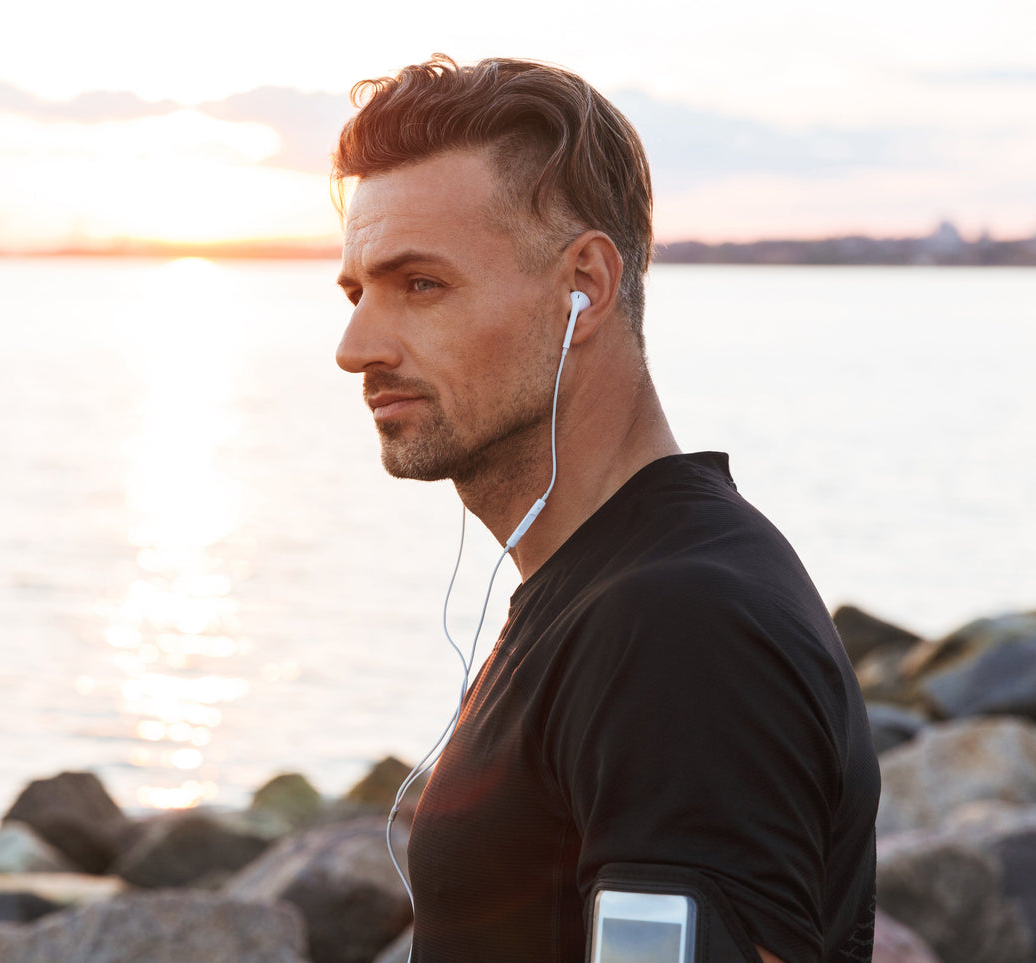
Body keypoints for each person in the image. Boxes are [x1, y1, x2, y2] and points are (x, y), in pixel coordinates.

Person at [331, 55, 878, 963]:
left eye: (419, 285)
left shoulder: (678, 624)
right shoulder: (601, 589)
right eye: (357, 292)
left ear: (583, 283)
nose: (356, 348)